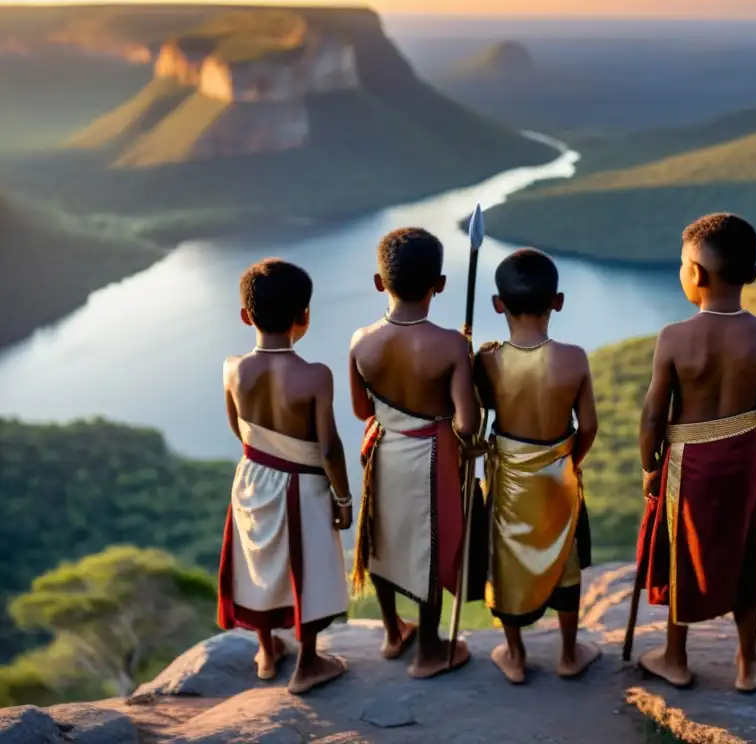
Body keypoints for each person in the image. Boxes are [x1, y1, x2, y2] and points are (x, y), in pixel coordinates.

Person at [636, 213, 756, 694]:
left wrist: (650, 469)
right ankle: (748, 662)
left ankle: (674, 658)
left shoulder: (674, 338)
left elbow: (651, 417)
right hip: (744, 462)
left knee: (683, 554)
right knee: (747, 554)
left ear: (697, 274)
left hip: (688, 467)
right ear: (749, 274)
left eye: (683, 264)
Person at [349, 227, 480, 679]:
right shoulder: (450, 344)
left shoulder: (360, 341)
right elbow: (467, 422)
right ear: (440, 285)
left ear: (378, 282)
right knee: (432, 544)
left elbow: (361, 409)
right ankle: (427, 649)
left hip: (384, 448)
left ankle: (392, 633)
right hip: (433, 453)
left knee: (382, 539)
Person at [218, 258, 353, 696]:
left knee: (258, 562)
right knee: (308, 567)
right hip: (304, 485)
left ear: (245, 315)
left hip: (254, 476)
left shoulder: (233, 369)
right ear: (304, 316)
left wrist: (268, 454)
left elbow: (236, 427)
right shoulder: (315, 376)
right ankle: (309, 662)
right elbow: (329, 445)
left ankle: (266, 650)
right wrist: (344, 497)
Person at [474, 248, 601, 685]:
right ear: (558, 301)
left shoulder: (488, 360)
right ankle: (568, 654)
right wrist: (567, 461)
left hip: (509, 477)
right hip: (559, 475)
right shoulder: (574, 358)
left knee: (506, 560)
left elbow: (472, 423)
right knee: (564, 558)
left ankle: (515, 654)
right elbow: (589, 426)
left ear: (497, 303)